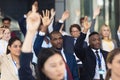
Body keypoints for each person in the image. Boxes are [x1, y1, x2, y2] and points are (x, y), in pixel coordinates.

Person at [19, 7, 66, 80]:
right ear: (43, 69)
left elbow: (55, 34)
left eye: (61, 63)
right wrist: (31, 31)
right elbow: (25, 69)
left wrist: (60, 20)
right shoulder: (36, 37)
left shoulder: (49, 39)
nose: (58, 69)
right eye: (53, 65)